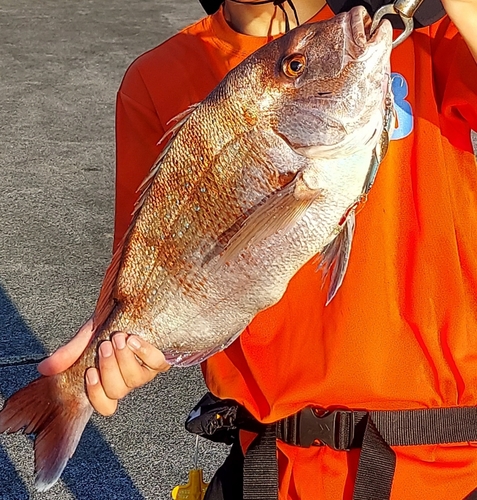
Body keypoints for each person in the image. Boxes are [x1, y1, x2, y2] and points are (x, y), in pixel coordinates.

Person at [38, 0, 477, 497]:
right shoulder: (155, 79)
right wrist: (125, 337)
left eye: (294, 67)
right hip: (268, 466)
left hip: (449, 462)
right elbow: (148, 259)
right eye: (293, 67)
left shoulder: (411, 34)